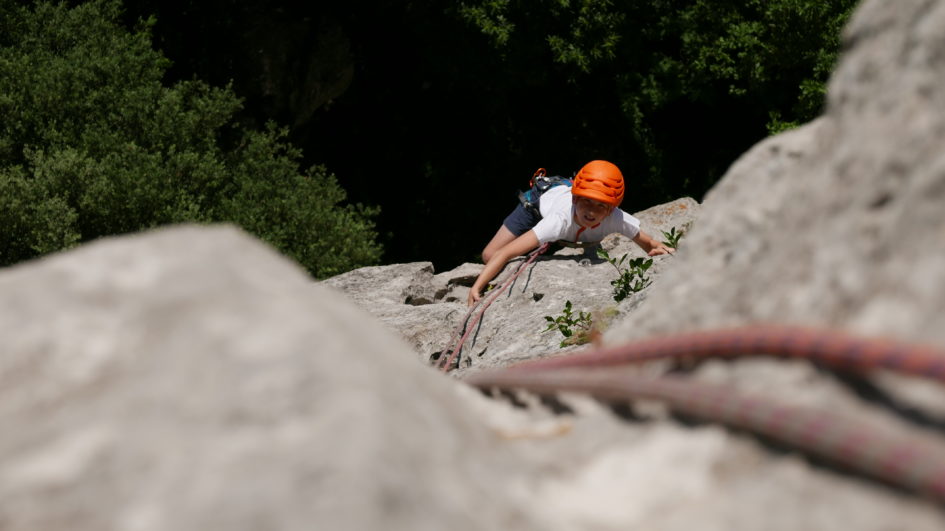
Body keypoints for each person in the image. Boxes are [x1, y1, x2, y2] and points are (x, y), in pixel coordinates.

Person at [469, 160, 673, 306]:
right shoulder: (557, 221)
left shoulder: (616, 218)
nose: (592, 211)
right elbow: (504, 253)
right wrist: (478, 285)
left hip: (569, 203)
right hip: (538, 203)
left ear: (611, 209)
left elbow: (650, 244)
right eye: (586, 201)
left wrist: (664, 253)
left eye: (600, 206)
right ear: (575, 199)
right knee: (489, 256)